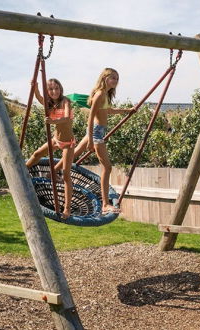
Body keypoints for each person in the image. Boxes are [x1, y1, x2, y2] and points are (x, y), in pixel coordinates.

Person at [54, 68, 134, 214]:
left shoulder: (106, 95)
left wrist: (126, 111)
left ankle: (52, 173)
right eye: (113, 78)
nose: (115, 81)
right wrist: (91, 139)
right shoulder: (100, 94)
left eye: (117, 78)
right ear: (104, 78)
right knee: (107, 167)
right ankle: (104, 205)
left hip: (98, 131)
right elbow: (90, 117)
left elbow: (108, 111)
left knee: (74, 153)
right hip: (96, 132)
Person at [26, 78, 75, 219]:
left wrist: (54, 121)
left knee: (66, 174)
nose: (54, 91)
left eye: (57, 88)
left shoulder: (65, 101)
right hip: (55, 140)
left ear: (61, 89)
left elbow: (66, 118)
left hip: (68, 143)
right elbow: (39, 97)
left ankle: (67, 208)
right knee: (36, 154)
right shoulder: (49, 103)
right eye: (51, 89)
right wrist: (35, 87)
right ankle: (22, 170)